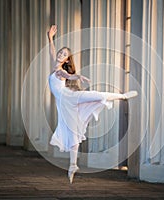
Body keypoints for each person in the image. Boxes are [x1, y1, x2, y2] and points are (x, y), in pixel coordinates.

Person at [47, 25, 138, 183]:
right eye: (60, 52)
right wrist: (50, 38)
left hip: (68, 97)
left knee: (95, 96)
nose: (60, 55)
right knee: (72, 131)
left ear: (67, 60)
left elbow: (66, 74)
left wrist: (76, 77)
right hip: (63, 104)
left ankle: (123, 96)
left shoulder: (60, 71)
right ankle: (73, 165)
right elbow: (52, 52)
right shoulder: (55, 65)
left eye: (64, 55)